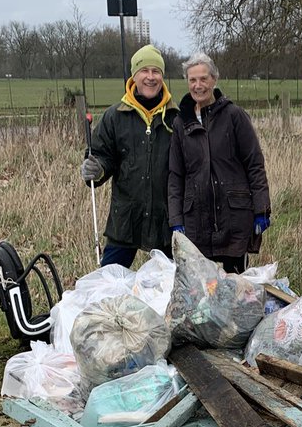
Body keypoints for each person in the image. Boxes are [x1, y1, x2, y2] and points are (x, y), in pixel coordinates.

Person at [167, 52, 271, 274]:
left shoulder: (234, 116)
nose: (198, 85)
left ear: (214, 79)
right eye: (192, 80)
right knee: (201, 289)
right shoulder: (180, 123)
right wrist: (176, 219)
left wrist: (261, 209)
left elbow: (254, 163)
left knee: (236, 289)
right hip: (197, 220)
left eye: (203, 79)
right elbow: (176, 175)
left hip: (234, 217)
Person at [80, 44, 178, 268]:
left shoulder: (176, 118)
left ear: (162, 76)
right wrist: (96, 169)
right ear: (134, 75)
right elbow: (102, 156)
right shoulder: (114, 116)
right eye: (144, 71)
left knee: (173, 289)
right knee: (108, 284)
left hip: (166, 221)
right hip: (125, 219)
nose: (150, 77)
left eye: (156, 71)